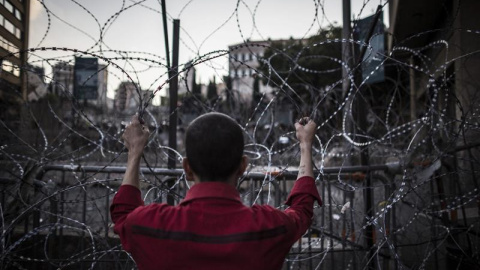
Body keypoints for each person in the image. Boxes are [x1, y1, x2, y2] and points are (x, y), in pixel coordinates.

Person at [110, 112, 322, 270]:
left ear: (187, 168)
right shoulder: (269, 226)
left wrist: (135, 151)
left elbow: (123, 214)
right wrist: (305, 144)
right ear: (242, 167)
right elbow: (302, 209)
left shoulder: (153, 224)